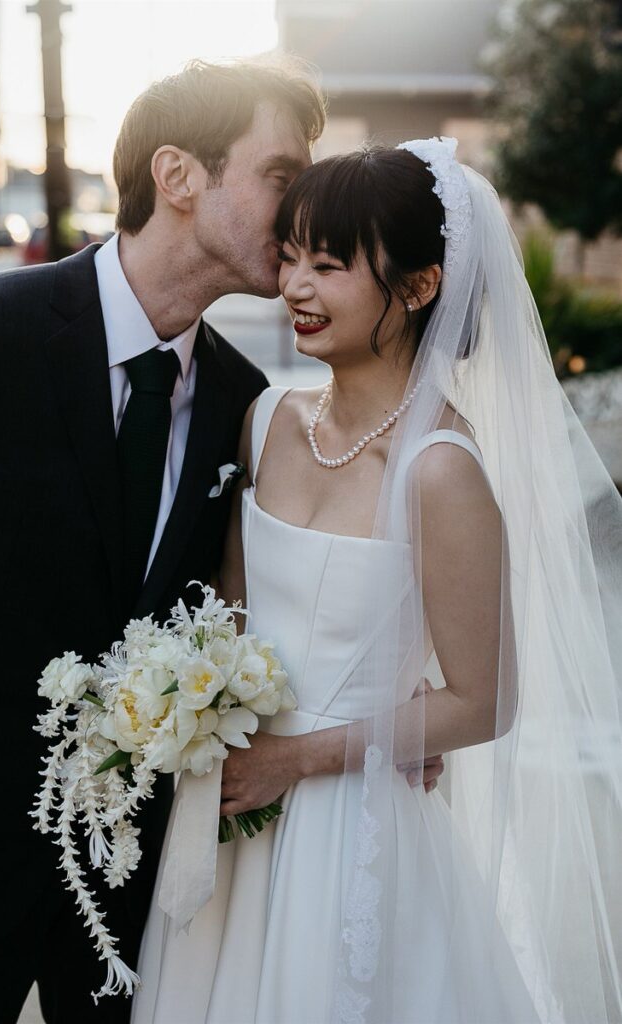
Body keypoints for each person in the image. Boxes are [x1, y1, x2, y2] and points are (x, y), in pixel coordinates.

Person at [132, 140, 622, 1023]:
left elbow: (483, 700)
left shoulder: (440, 470)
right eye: (289, 258)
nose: (293, 288)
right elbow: (229, 618)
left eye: (327, 265)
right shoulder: (265, 420)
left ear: (420, 284)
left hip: (348, 832)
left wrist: (297, 759)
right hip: (234, 817)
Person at [0, 58, 332, 1024]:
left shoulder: (246, 405)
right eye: (282, 177)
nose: (302, 210)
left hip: (136, 888)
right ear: (178, 176)